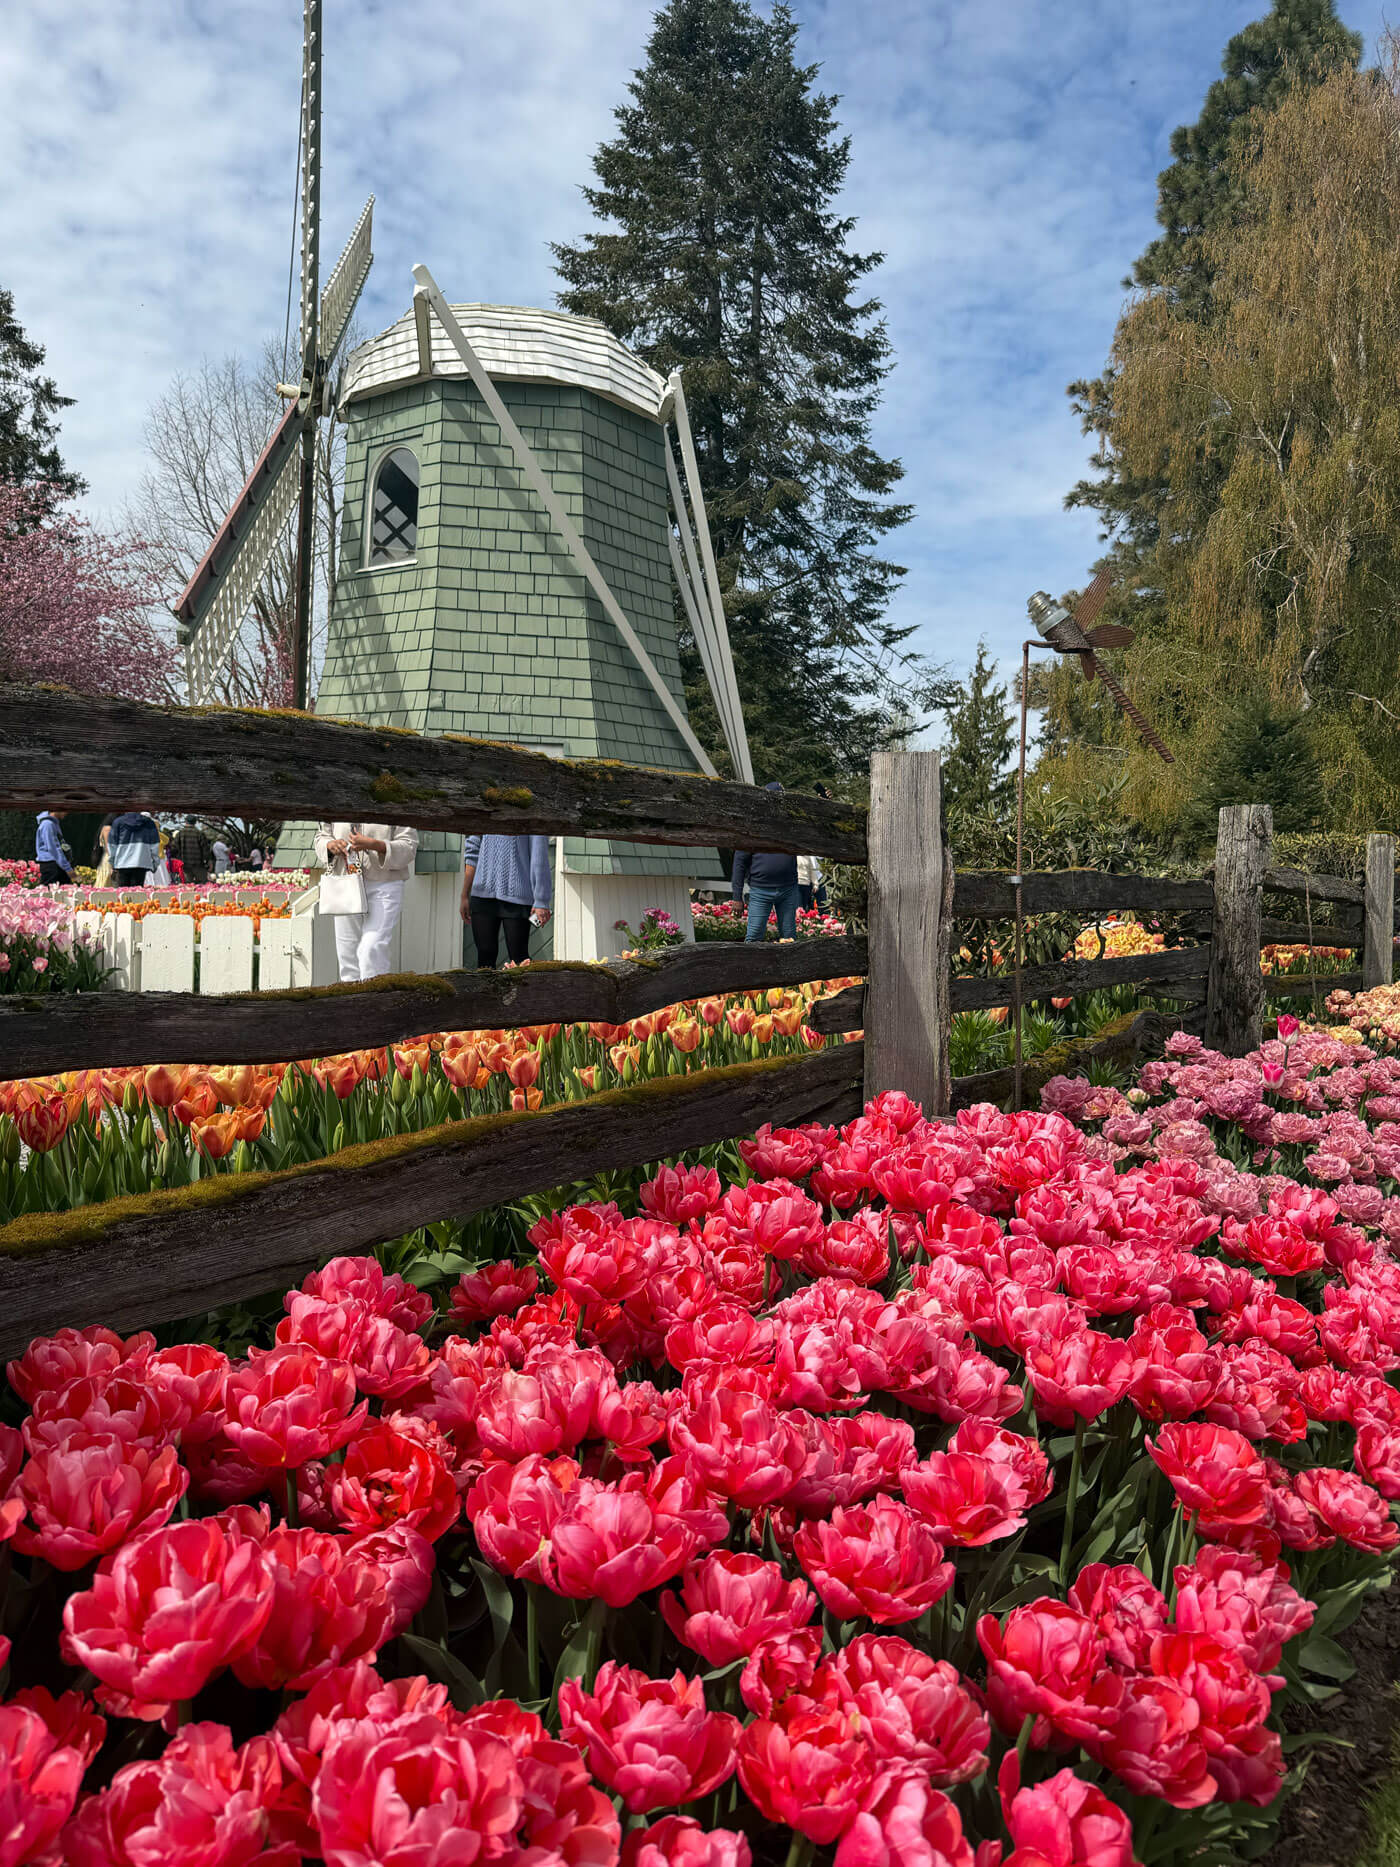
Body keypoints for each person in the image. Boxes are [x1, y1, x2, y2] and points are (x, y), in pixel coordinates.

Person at [314, 820, 419, 981]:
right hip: (345, 880)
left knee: (371, 948)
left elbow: (409, 846)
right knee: (348, 956)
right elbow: (321, 836)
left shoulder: (396, 798)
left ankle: (375, 1000)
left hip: (385, 882)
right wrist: (330, 845)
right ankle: (351, 1003)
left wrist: (376, 845)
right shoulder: (336, 796)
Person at [461, 834, 552, 968]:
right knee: (484, 960)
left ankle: (524, 990)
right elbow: (472, 850)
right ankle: (487, 990)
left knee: (520, 959)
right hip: (482, 894)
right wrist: (464, 895)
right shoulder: (485, 811)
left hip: (518, 898)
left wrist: (541, 900)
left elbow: (539, 854)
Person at [732, 781, 800, 942]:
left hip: (788, 888)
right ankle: (750, 967)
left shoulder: (791, 824)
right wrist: (737, 897)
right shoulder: (752, 825)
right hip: (760, 889)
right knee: (754, 936)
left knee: (789, 936)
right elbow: (739, 862)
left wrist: (824, 798)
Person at [107, 810, 160, 886]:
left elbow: (112, 845)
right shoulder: (149, 823)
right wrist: (155, 863)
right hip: (141, 863)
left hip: (122, 863)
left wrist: (112, 862)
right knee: (137, 894)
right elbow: (154, 845)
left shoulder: (118, 822)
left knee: (123, 894)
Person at [170, 815, 213, 885]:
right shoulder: (200, 834)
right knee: (203, 886)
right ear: (195, 822)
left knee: (186, 887)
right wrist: (209, 862)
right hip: (199, 865)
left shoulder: (180, 834)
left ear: (186, 822)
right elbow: (206, 850)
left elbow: (173, 848)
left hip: (184, 865)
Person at [34, 811, 74, 886]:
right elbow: (54, 849)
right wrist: (67, 868)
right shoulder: (48, 824)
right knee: (48, 894)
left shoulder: (53, 823)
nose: (66, 812)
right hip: (52, 865)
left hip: (56, 864)